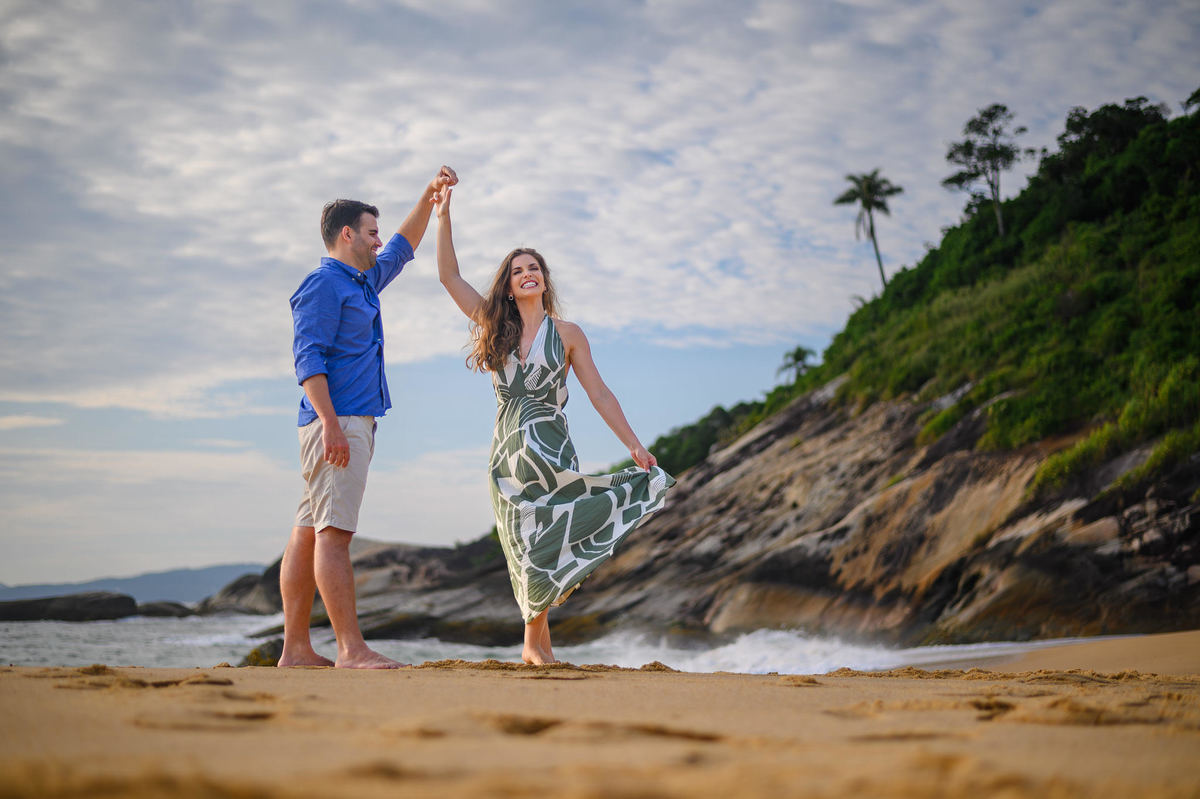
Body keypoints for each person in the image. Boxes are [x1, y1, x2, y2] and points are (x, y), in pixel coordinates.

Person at [433, 182, 673, 665]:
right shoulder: (492, 324)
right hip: (507, 454)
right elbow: (448, 275)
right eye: (518, 270)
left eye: (534, 268)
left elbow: (599, 393)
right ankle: (538, 645)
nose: (527, 274)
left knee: (546, 537)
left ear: (544, 279)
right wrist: (443, 216)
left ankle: (532, 646)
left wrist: (634, 446)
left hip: (551, 451)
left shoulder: (568, 334)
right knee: (524, 542)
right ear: (507, 283)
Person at [279, 166, 458, 669]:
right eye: (371, 232)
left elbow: (405, 244)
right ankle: (350, 650)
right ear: (346, 234)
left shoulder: (365, 280)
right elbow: (308, 359)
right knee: (335, 534)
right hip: (336, 423)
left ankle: (295, 650)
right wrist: (333, 425)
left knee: (309, 529)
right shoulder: (322, 285)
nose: (380, 241)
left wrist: (429, 197)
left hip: (345, 423)